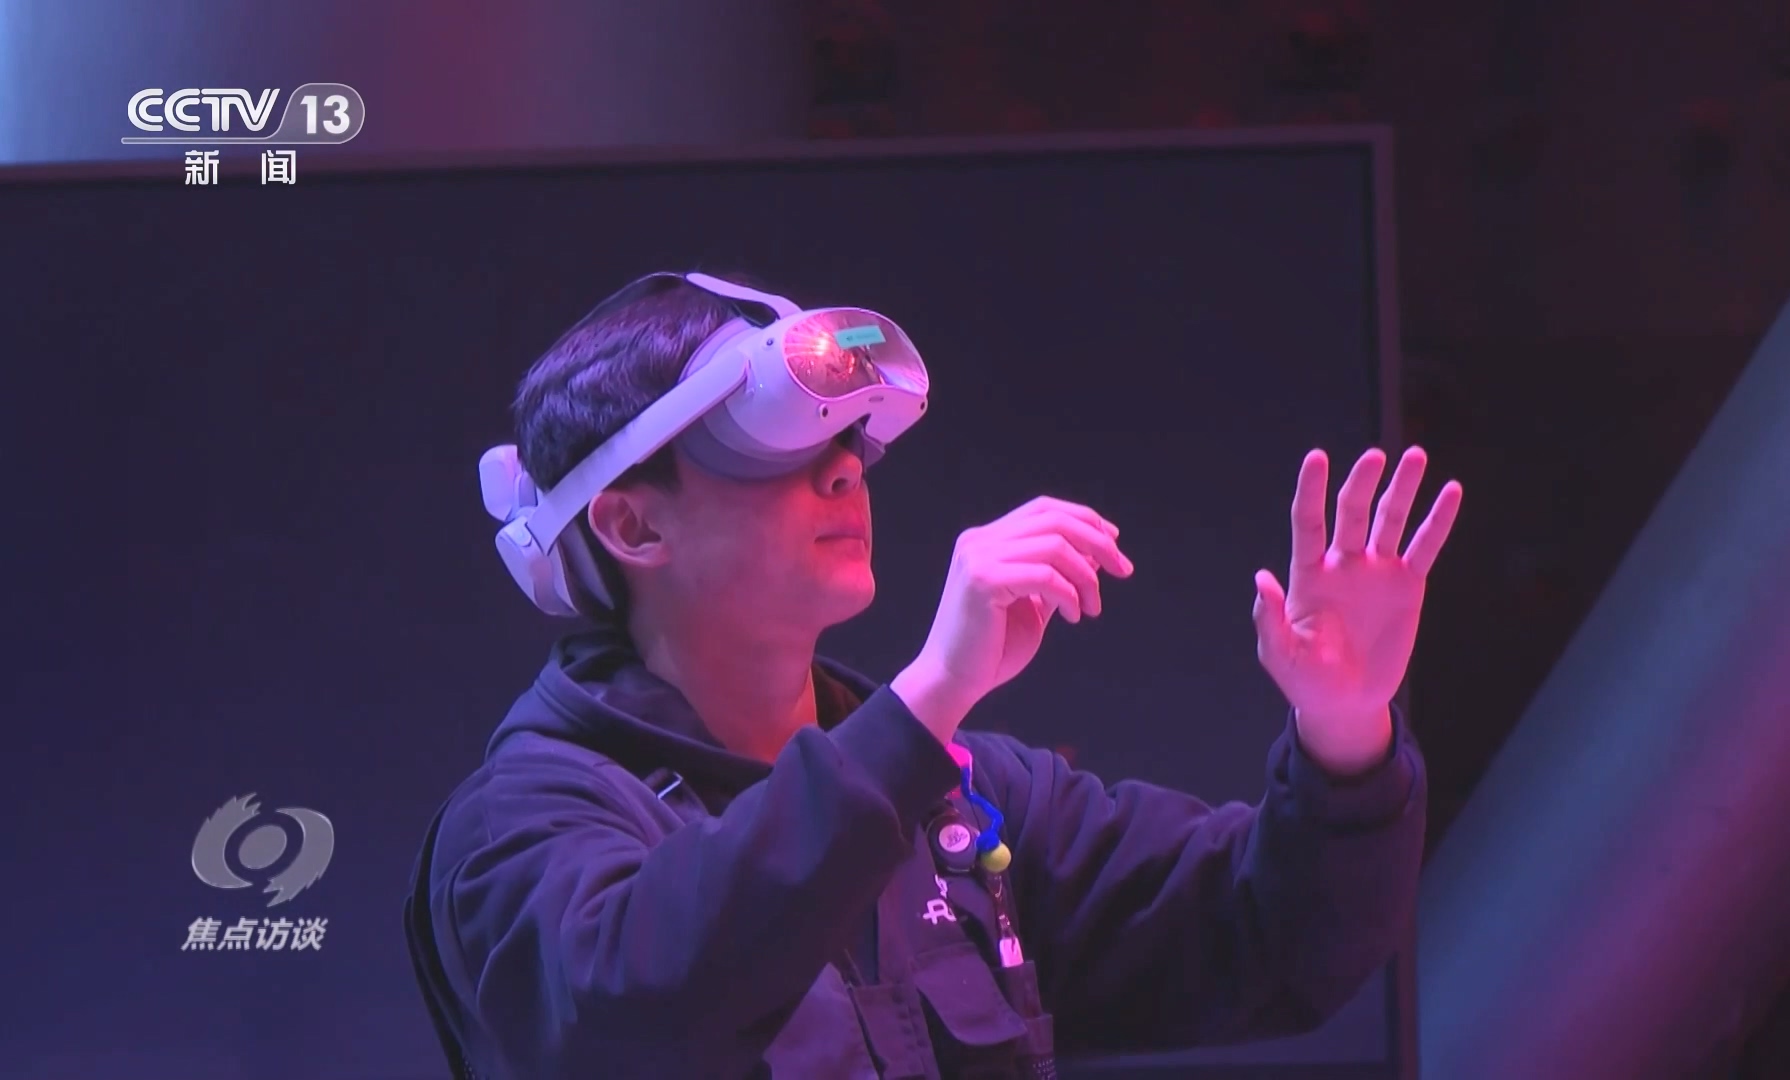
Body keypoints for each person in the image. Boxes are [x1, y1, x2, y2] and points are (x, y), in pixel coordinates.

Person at [403, 270, 1463, 1080]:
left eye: (849, 441)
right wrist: (929, 699)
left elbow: (1276, 939)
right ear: (633, 525)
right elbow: (639, 1012)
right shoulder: (527, 824)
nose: (844, 469)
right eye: (768, 447)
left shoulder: (966, 801)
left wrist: (1344, 728)